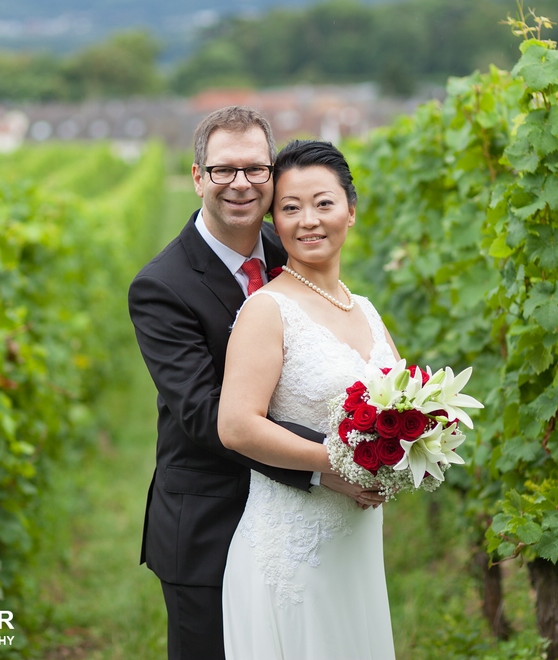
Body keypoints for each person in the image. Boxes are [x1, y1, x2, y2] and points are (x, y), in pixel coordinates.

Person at [127, 107, 382, 660]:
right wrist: (329, 466)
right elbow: (205, 416)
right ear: (198, 177)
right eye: (223, 170)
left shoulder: (292, 244)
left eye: (255, 169)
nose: (240, 184)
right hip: (209, 523)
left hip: (307, 530)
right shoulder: (160, 286)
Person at [218, 139, 400, 659]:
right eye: (290, 208)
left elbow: (404, 409)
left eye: (323, 203)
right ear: (274, 221)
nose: (308, 221)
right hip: (293, 544)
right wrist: (342, 464)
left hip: (357, 542)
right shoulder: (266, 309)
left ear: (351, 209)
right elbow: (236, 425)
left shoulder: (365, 309)